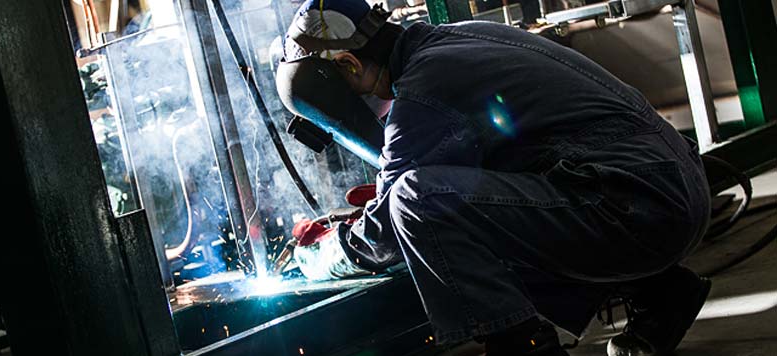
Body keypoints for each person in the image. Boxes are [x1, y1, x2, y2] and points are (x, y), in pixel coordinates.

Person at [276, 1, 712, 355]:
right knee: (468, 200)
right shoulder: (457, 39)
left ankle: (520, 345)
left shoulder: (423, 89)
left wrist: (322, 257)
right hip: (672, 186)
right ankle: (661, 293)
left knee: (417, 202)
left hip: (637, 209)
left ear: (350, 64)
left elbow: (391, 223)